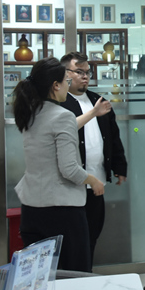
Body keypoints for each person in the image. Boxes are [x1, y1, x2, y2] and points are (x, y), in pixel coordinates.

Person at [12, 57, 105, 272]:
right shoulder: (62, 116)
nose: (68, 85)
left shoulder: (30, 113)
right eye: (66, 81)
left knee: (38, 276)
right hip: (62, 211)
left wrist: (91, 114)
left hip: (31, 208)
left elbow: (60, 131)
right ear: (55, 85)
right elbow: (69, 168)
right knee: (73, 273)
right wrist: (93, 181)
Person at [59, 51, 128, 267]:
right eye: (79, 72)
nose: (85, 77)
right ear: (65, 74)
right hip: (70, 185)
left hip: (96, 183)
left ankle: (85, 275)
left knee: (91, 235)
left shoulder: (99, 101)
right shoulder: (59, 103)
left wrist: (119, 166)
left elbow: (113, 137)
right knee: (73, 241)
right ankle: (73, 278)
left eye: (87, 72)